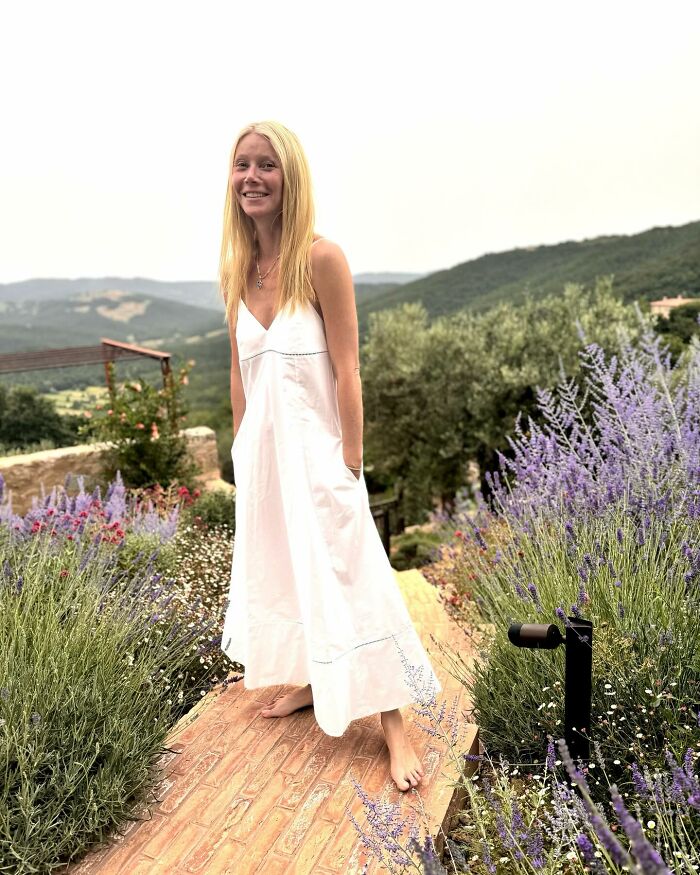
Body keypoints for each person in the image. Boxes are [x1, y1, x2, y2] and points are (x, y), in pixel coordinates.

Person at [219, 120, 441, 792]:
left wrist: (350, 459)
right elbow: (239, 371)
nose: (252, 177)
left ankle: (395, 723)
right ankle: (316, 681)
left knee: (350, 575)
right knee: (284, 567)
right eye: (242, 165)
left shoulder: (321, 259)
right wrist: (241, 455)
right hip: (264, 459)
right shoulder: (234, 267)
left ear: (290, 177)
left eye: (267, 165)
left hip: (320, 456)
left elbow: (348, 368)